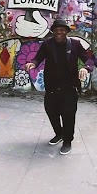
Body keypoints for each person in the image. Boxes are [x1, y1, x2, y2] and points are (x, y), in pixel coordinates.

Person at [25, 18, 91, 155]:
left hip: (70, 86)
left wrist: (86, 68)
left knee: (68, 115)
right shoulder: (47, 44)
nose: (58, 33)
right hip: (52, 86)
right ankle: (59, 134)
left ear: (66, 31)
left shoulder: (75, 44)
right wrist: (33, 63)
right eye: (56, 30)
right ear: (53, 32)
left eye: (61, 30)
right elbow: (38, 57)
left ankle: (67, 141)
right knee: (51, 111)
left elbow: (89, 59)